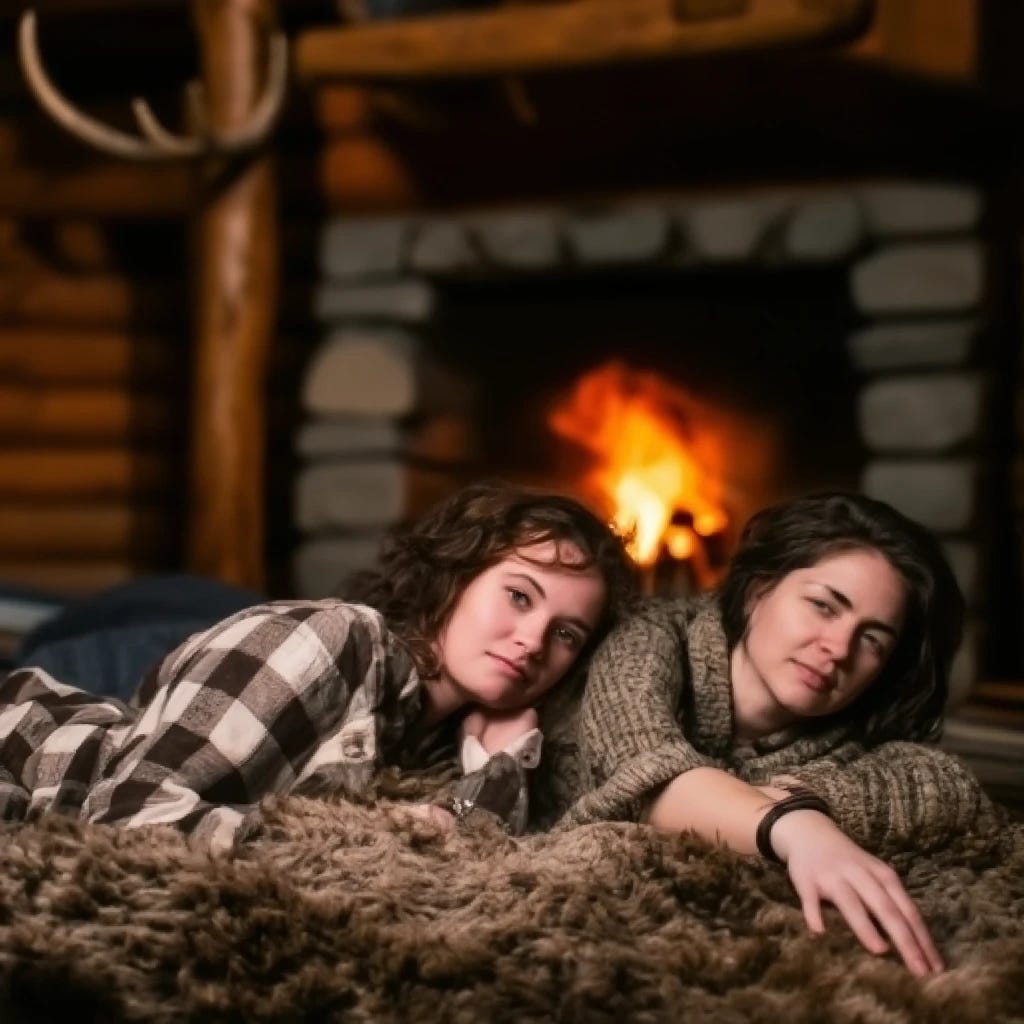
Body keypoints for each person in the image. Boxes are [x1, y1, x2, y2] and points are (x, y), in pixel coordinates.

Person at [0, 481, 637, 851]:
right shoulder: (334, 640)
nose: (531, 641)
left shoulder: (443, 737)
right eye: (519, 596)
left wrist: (498, 767)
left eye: (565, 634)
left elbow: (452, 840)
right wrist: (363, 844)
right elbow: (124, 817)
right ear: (458, 574)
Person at [539, 491, 1002, 978]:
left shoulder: (849, 738)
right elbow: (647, 773)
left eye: (871, 639)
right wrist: (796, 828)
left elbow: (949, 785)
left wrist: (812, 801)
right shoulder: (648, 641)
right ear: (760, 588)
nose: (838, 648)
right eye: (824, 606)